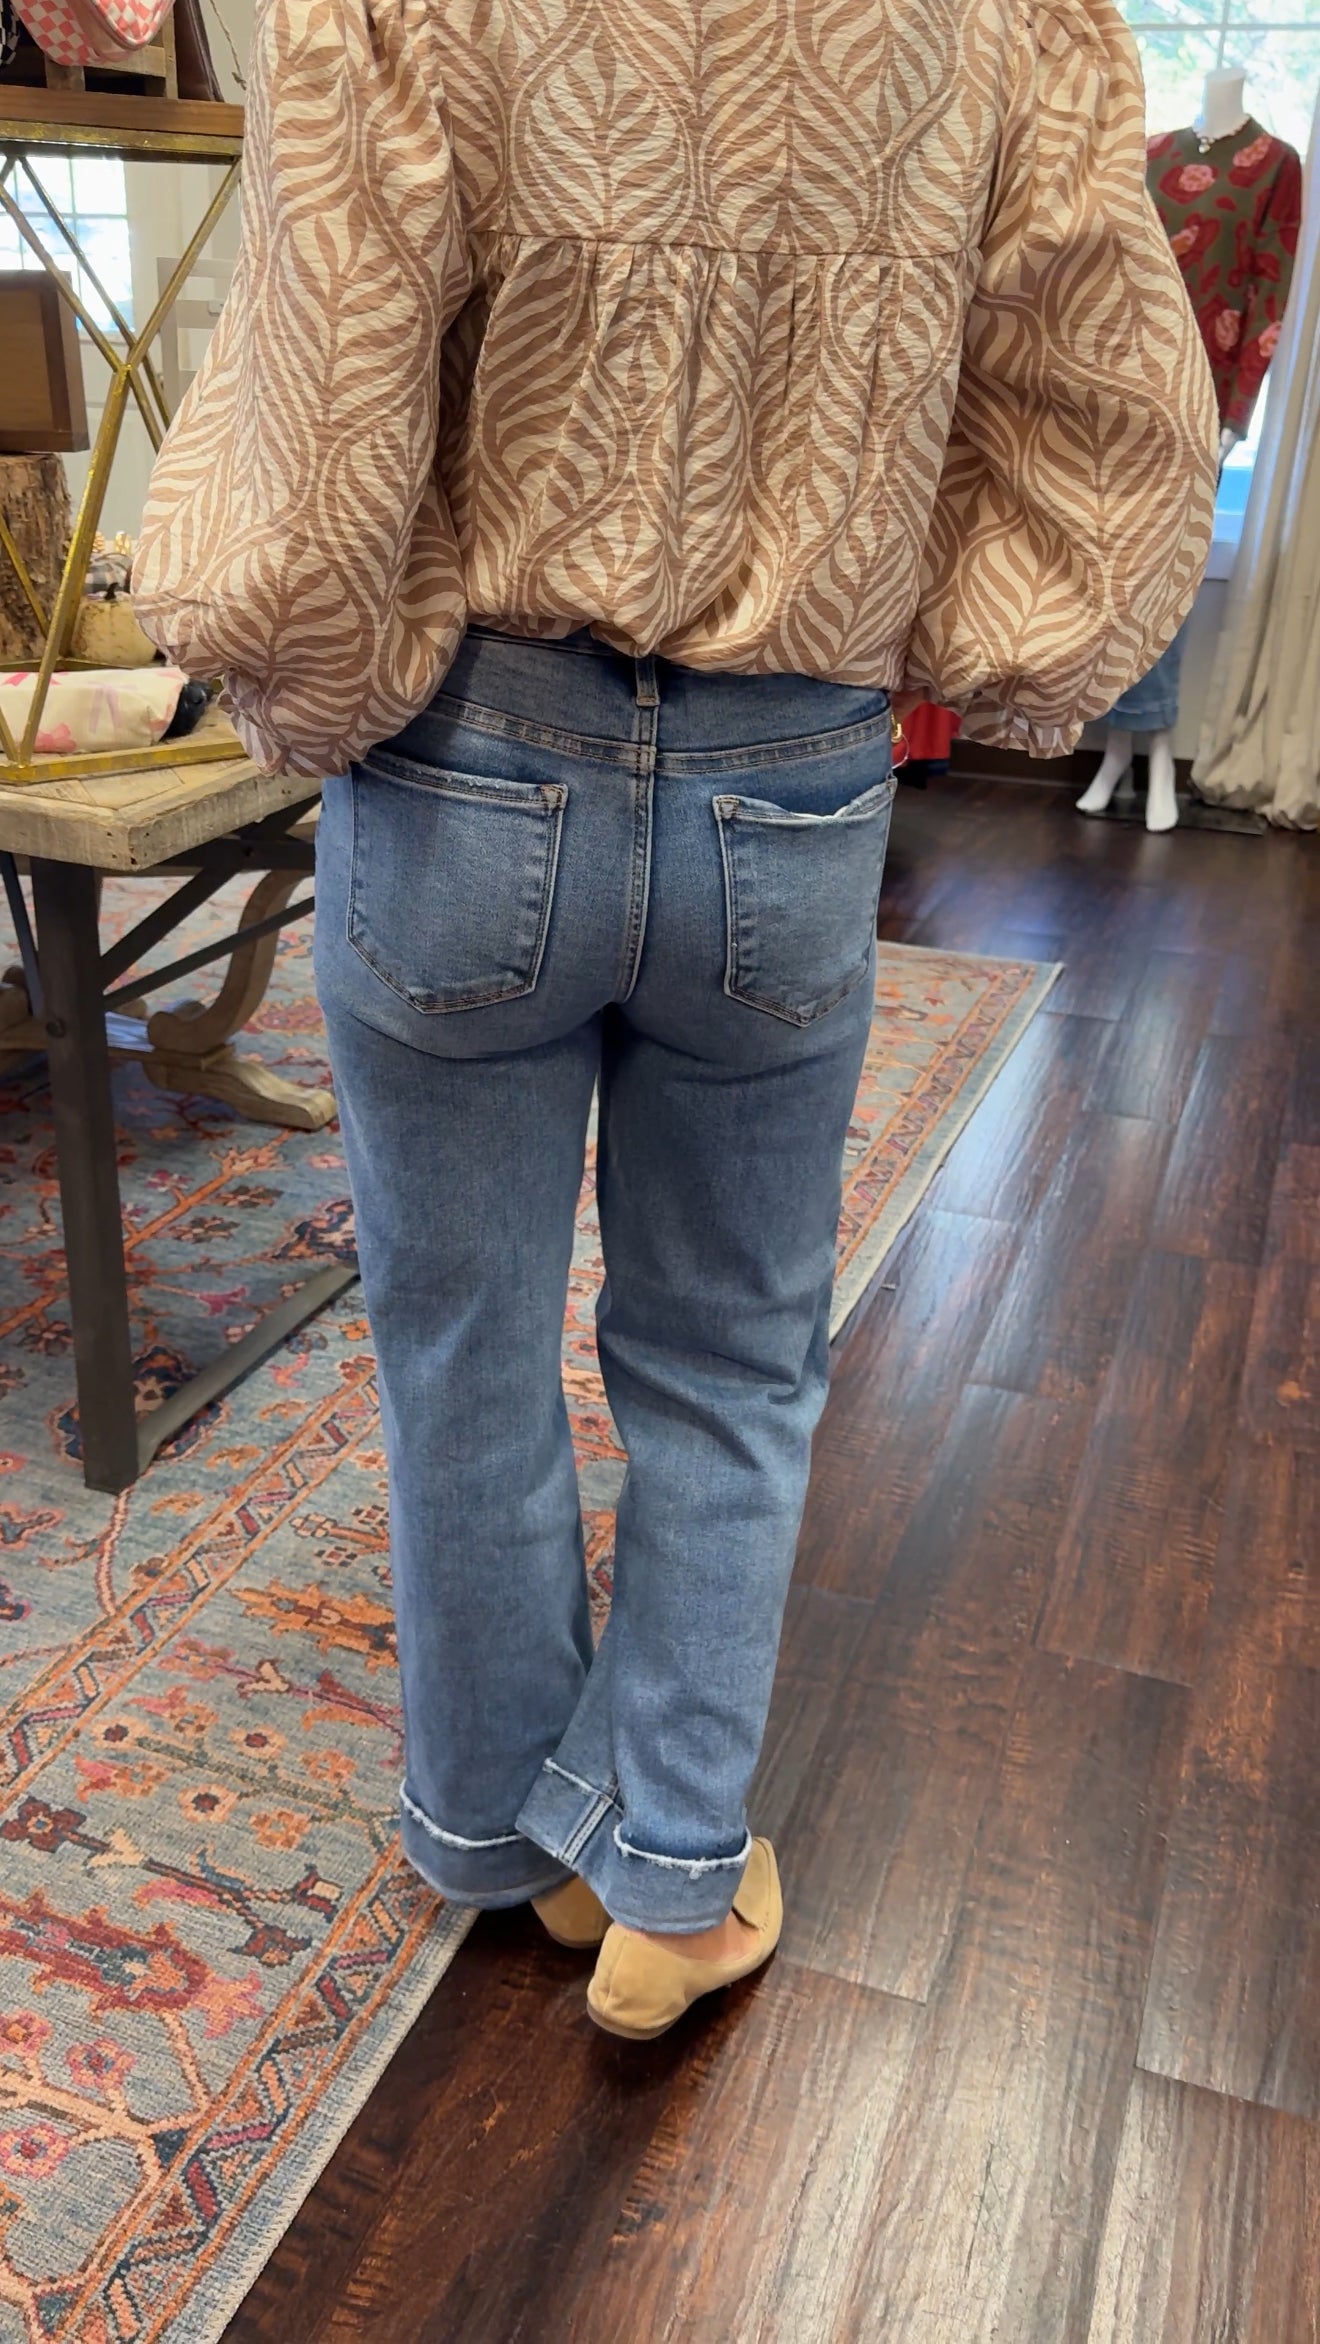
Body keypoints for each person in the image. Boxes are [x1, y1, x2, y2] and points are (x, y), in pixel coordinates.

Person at [135, 0, 1216, 2039]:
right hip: (790, 772)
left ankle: (502, 1830)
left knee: (460, 1336)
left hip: (470, 754)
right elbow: (1109, 402)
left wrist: (316, 674)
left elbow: (322, 382)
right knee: (730, 1353)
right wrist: (959, 637)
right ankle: (674, 1877)